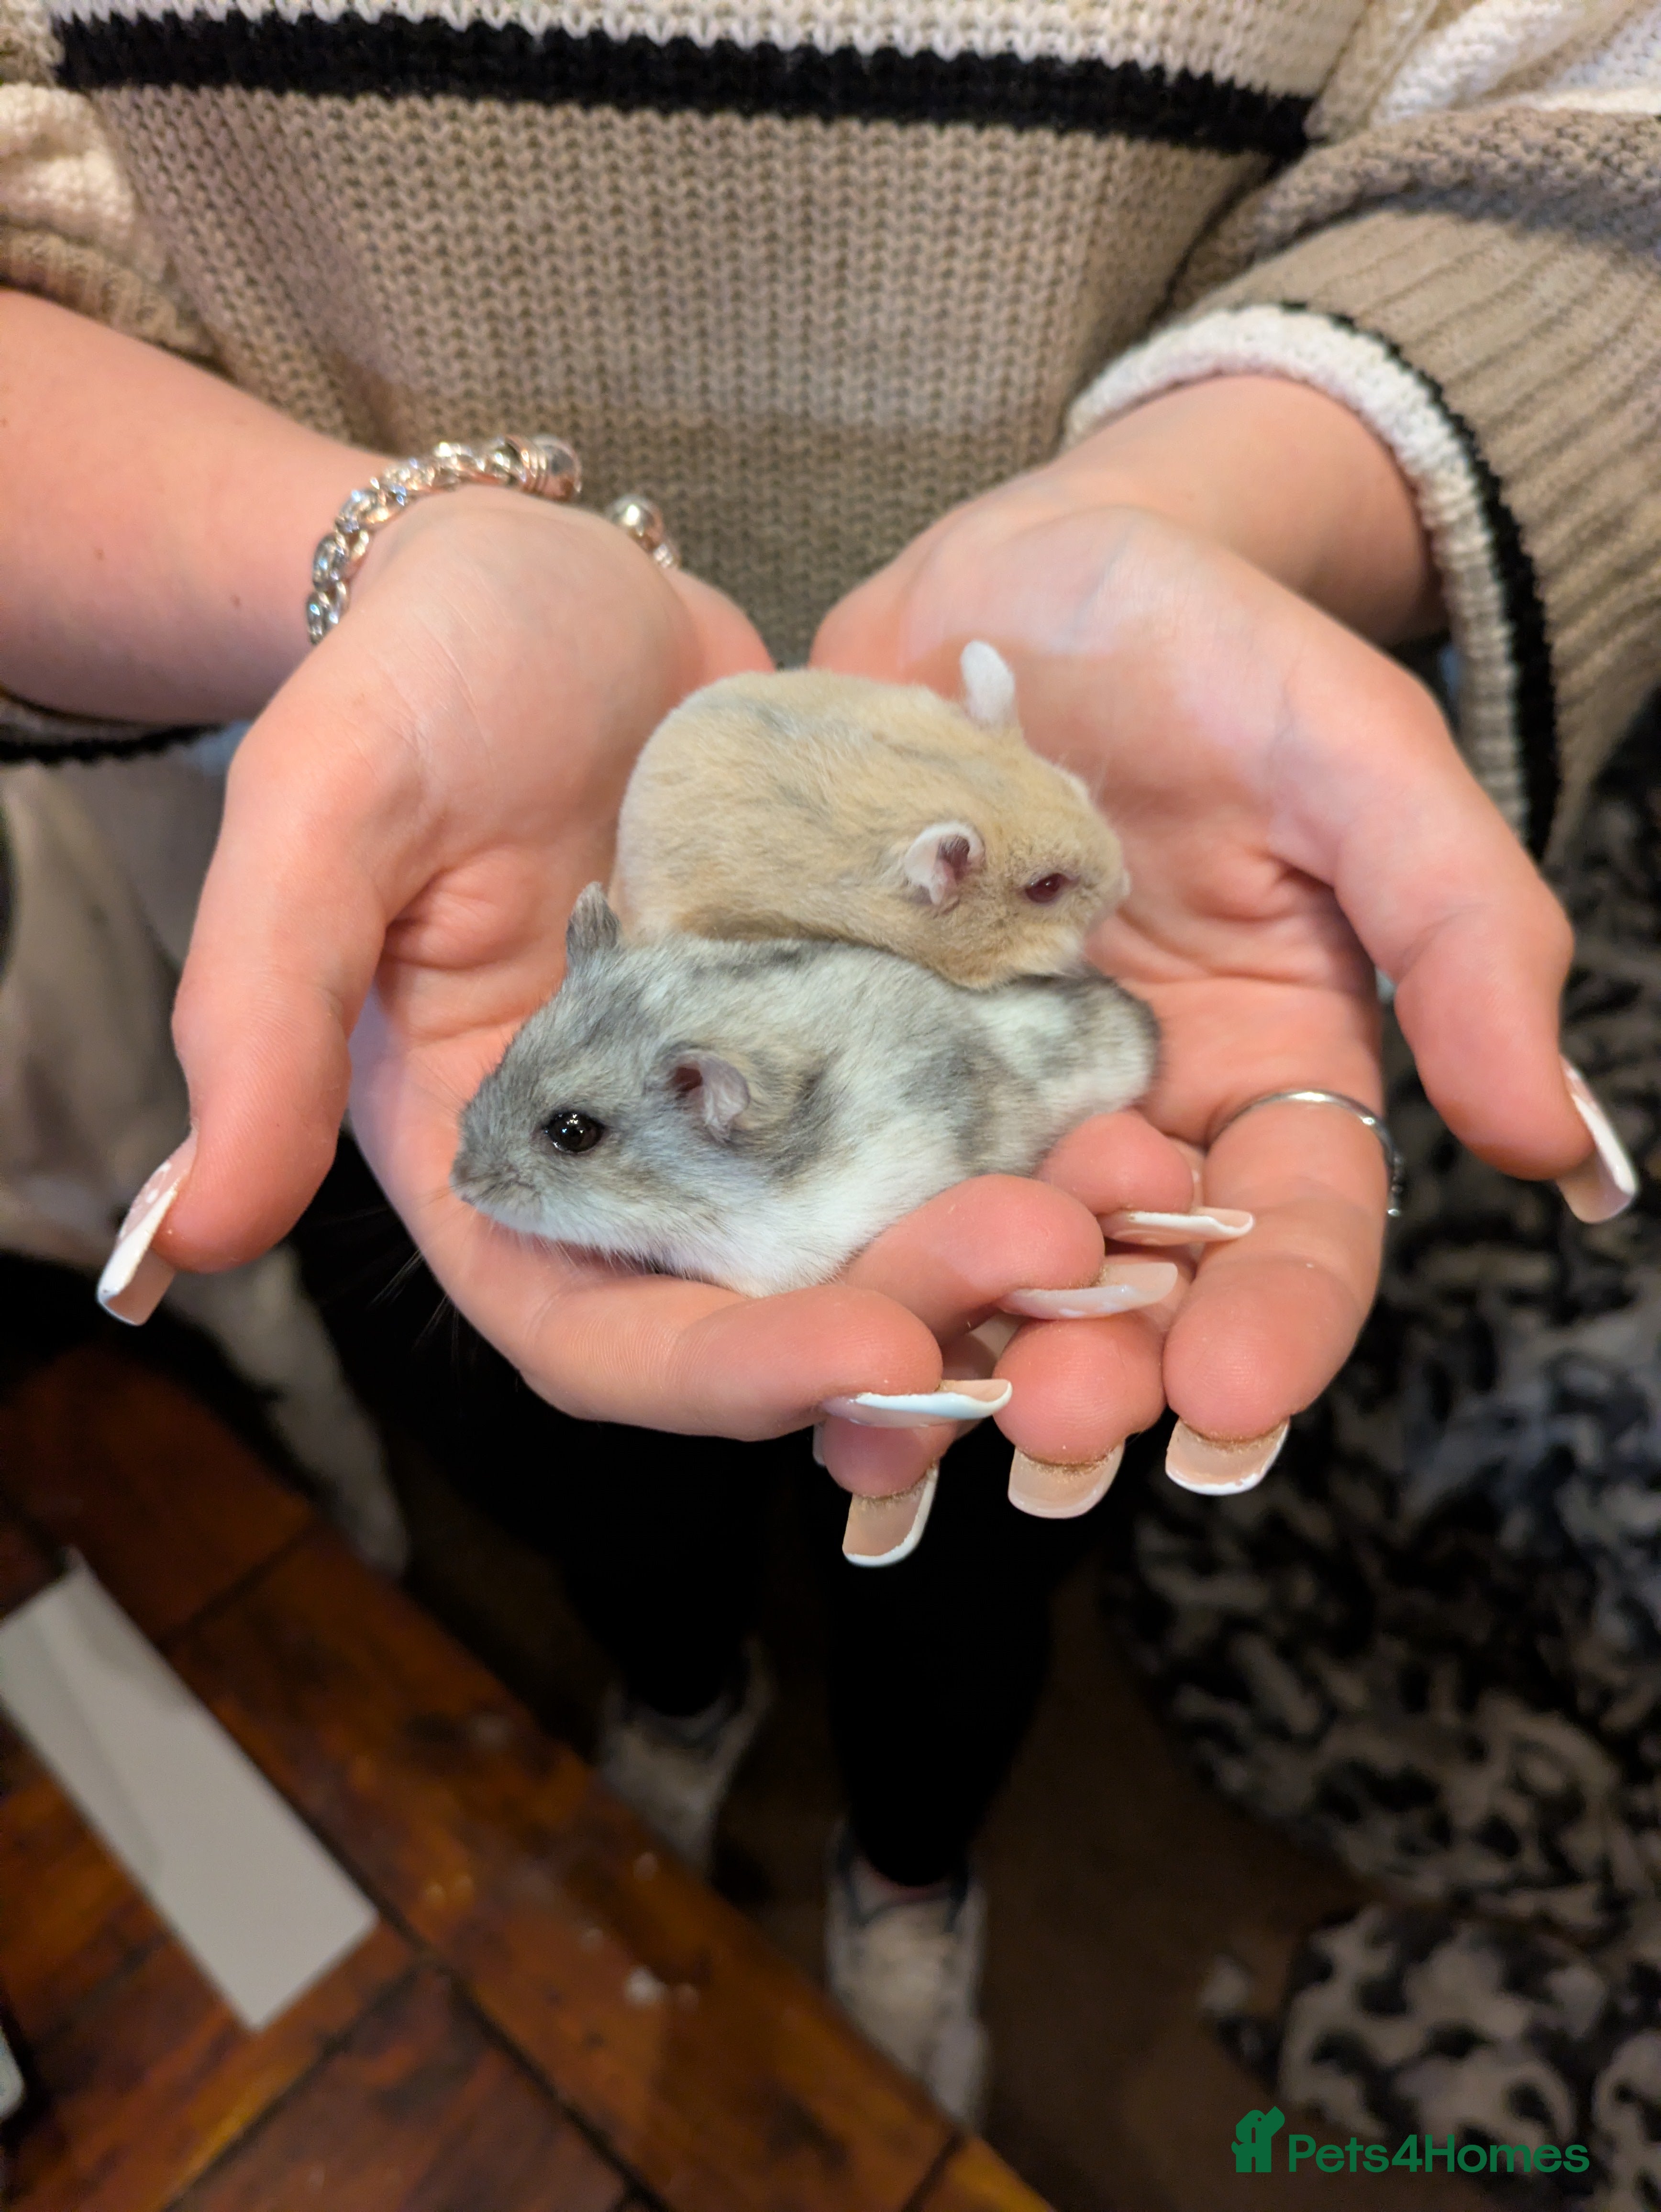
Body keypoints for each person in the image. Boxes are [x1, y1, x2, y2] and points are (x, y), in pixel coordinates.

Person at [2, 0, 1658, 2140]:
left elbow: (1597, 120)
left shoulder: (910, 976)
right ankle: (681, 1689)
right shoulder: (664, 983)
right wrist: (373, 562)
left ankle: (910, 1855)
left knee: (982, 1503)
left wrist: (1229, 499)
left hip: (845, 973)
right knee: (584, 1467)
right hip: (427, 928)